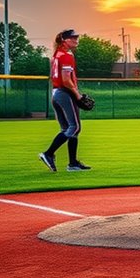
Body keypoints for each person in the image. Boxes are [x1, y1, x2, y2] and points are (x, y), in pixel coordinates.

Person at [39, 29, 90, 172]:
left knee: (67, 128)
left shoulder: (56, 54)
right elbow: (66, 80)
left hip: (56, 93)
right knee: (75, 127)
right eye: (72, 38)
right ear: (64, 40)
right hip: (65, 93)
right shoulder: (66, 55)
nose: (75, 40)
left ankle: (73, 163)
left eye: (76, 37)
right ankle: (48, 153)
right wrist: (77, 95)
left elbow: (54, 77)